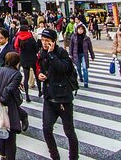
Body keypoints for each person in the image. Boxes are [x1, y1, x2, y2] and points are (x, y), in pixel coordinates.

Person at [38, 28, 79, 160]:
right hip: (49, 98)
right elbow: (43, 69)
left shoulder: (61, 53)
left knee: (69, 131)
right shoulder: (42, 53)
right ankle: (54, 156)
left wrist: (51, 55)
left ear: (54, 42)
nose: (44, 43)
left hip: (63, 99)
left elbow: (63, 68)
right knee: (46, 129)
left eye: (47, 41)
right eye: (43, 40)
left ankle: (73, 156)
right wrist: (41, 75)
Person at [0, 52, 25, 160]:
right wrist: (2, 100)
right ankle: (9, 156)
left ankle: (2, 154)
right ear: (17, 63)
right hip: (9, 105)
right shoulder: (17, 74)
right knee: (10, 133)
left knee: (2, 128)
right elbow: (9, 89)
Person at [15, 24, 38, 102]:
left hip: (24, 59)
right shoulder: (30, 38)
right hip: (32, 58)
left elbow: (16, 46)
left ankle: (27, 96)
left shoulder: (19, 38)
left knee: (26, 77)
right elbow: (36, 48)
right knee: (36, 74)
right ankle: (40, 91)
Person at [69, 22, 94, 88]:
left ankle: (86, 82)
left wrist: (92, 55)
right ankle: (80, 77)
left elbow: (90, 48)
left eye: (82, 29)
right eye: (79, 29)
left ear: (84, 30)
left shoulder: (86, 38)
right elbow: (71, 46)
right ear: (77, 30)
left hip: (84, 54)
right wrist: (70, 54)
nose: (80, 31)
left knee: (85, 68)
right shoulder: (73, 37)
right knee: (78, 68)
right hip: (76, 54)